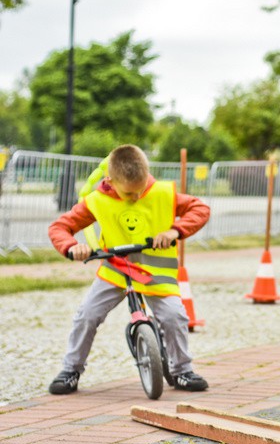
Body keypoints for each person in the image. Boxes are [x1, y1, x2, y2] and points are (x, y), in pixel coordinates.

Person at [47, 144, 211, 395]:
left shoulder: (162, 193)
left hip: (155, 273)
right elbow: (60, 227)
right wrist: (72, 247)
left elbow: (200, 209)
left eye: (141, 189)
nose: (137, 197)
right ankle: (71, 370)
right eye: (130, 193)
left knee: (174, 316)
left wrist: (174, 231)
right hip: (116, 270)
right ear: (110, 181)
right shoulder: (96, 200)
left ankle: (182, 371)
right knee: (87, 315)